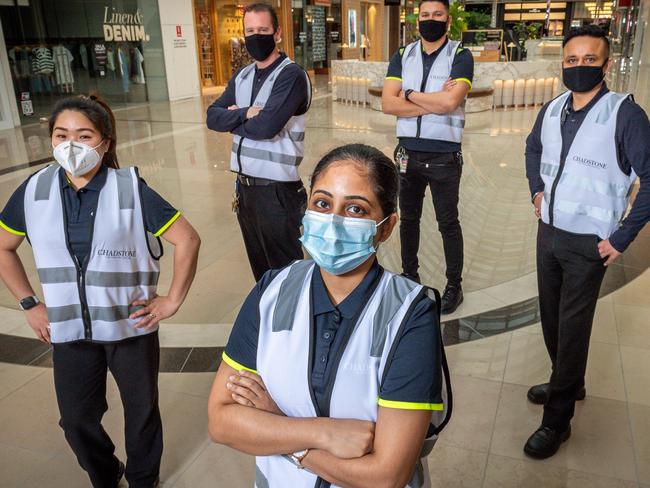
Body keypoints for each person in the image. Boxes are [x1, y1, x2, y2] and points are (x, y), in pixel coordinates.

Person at [207, 144, 450, 487]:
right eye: (322, 203)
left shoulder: (410, 314)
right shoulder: (273, 289)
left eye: (355, 208)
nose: (333, 221)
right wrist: (322, 433)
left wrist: (281, 430)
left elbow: (386, 476)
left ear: (385, 227)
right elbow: (221, 421)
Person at [0, 95, 201, 487]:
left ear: (105, 143)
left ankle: (144, 479)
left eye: (84, 135)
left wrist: (171, 300)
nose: (71, 144)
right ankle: (106, 473)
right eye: (61, 135)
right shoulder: (35, 190)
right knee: (75, 419)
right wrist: (29, 303)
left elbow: (187, 239)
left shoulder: (129, 188)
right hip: (69, 330)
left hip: (130, 328)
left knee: (141, 412)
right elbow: (4, 247)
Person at [524, 25, 650, 459]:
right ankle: (568, 381)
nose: (579, 67)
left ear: (607, 64)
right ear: (563, 63)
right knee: (551, 320)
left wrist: (622, 237)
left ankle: (557, 422)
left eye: (589, 60)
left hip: (590, 244)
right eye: (571, 60)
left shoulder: (624, 113)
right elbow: (532, 149)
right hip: (550, 234)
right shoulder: (554, 107)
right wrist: (535, 192)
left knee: (573, 330)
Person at [206, 2, 312, 282]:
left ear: (277, 33)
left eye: (262, 30)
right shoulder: (242, 75)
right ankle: (268, 322)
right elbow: (212, 117)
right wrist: (245, 114)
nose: (255, 37)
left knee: (286, 275)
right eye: (250, 31)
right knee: (261, 272)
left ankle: (292, 325)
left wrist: (235, 119)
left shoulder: (291, 75)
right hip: (245, 190)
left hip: (277, 193)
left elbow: (266, 127)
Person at [381, 0, 473, 314]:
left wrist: (408, 94)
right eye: (424, 15)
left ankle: (454, 286)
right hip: (407, 154)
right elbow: (387, 104)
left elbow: (451, 103)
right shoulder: (402, 55)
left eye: (436, 15)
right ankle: (409, 277)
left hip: (445, 156)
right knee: (409, 221)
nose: (430, 20)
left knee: (448, 223)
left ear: (448, 20)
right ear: (416, 20)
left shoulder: (460, 55)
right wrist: (434, 100)